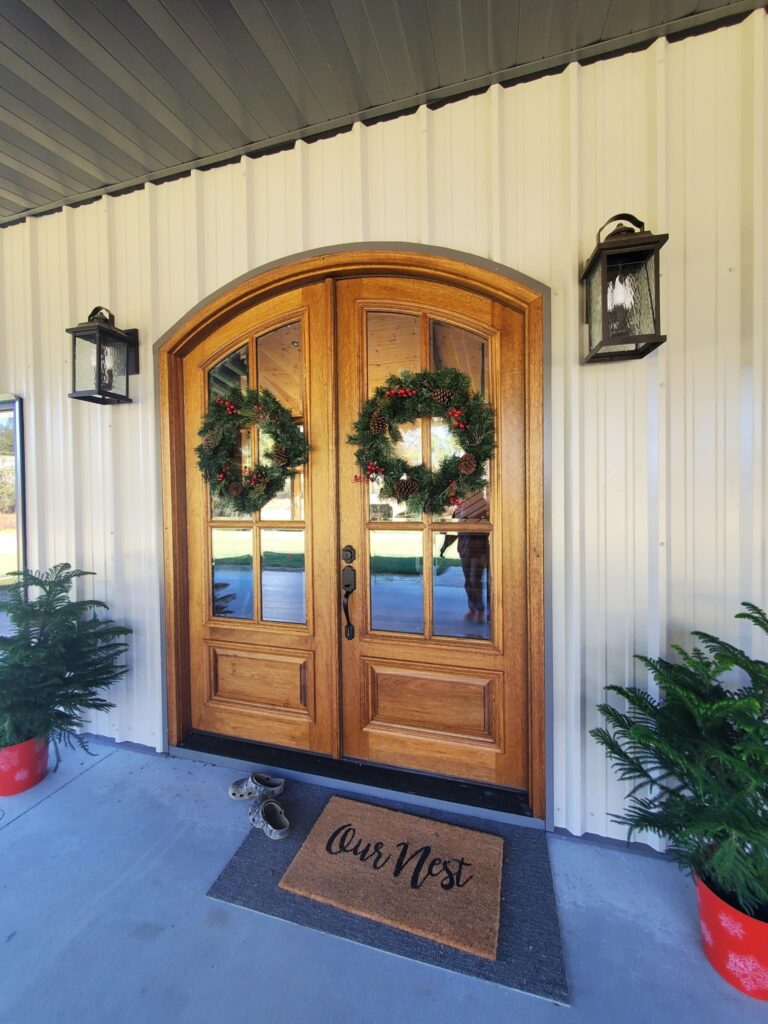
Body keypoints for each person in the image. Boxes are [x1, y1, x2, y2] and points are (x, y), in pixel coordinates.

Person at [439, 490, 490, 621]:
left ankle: (480, 610)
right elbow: (452, 531)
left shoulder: (483, 506)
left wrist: (486, 554)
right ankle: (472, 609)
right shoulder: (460, 507)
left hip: (479, 550)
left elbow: (490, 532)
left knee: (475, 580)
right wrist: (444, 547)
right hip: (464, 549)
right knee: (468, 582)